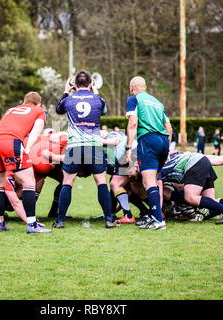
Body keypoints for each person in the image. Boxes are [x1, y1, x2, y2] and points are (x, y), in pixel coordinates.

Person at [52, 70, 116, 229]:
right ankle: (109, 220)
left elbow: (58, 110)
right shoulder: (98, 99)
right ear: (91, 83)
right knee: (101, 181)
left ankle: (60, 221)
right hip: (94, 145)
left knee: (68, 182)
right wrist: (95, 90)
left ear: (74, 84)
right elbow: (104, 111)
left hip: (75, 146)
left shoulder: (68, 99)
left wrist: (66, 90)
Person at [0, 91, 51, 233]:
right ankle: (32, 225)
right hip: (11, 142)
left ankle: (0, 223)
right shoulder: (40, 110)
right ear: (39, 103)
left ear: (24, 101)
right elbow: (35, 134)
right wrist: (27, 150)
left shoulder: (10, 110)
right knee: (29, 182)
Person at [125, 76, 172, 230]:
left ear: (133, 88)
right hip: (164, 141)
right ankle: (154, 218)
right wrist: (167, 151)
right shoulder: (158, 103)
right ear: (144, 87)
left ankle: (158, 220)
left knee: (148, 182)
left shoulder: (134, 99)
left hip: (148, 140)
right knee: (155, 180)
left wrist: (128, 147)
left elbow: (133, 123)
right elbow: (169, 128)